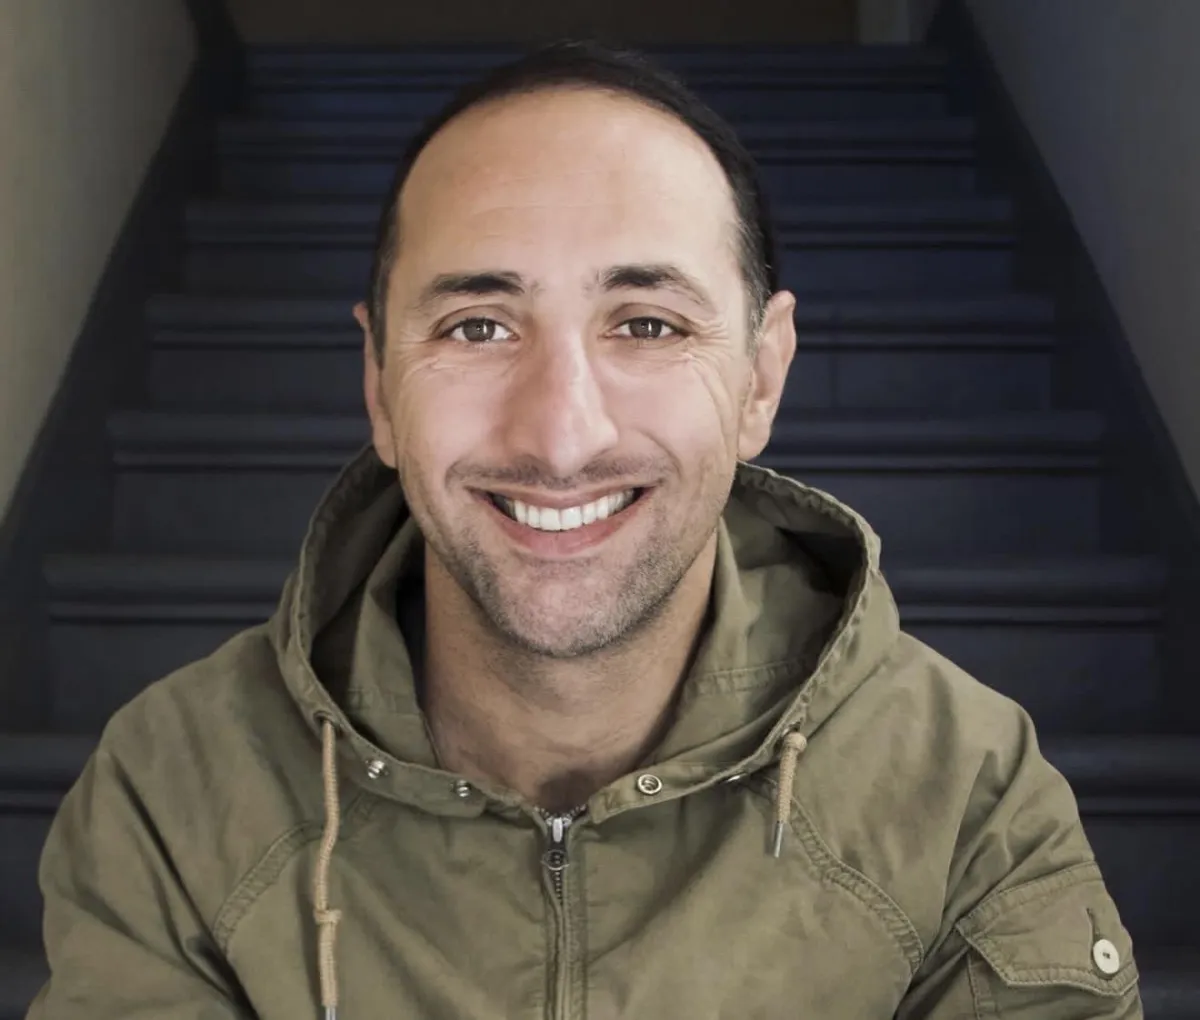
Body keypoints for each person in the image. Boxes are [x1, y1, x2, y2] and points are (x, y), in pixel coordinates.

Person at [28, 41, 1142, 1019]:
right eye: (477, 326)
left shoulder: (965, 797)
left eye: (647, 325)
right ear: (378, 386)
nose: (562, 435)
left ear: (761, 378)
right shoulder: (174, 791)